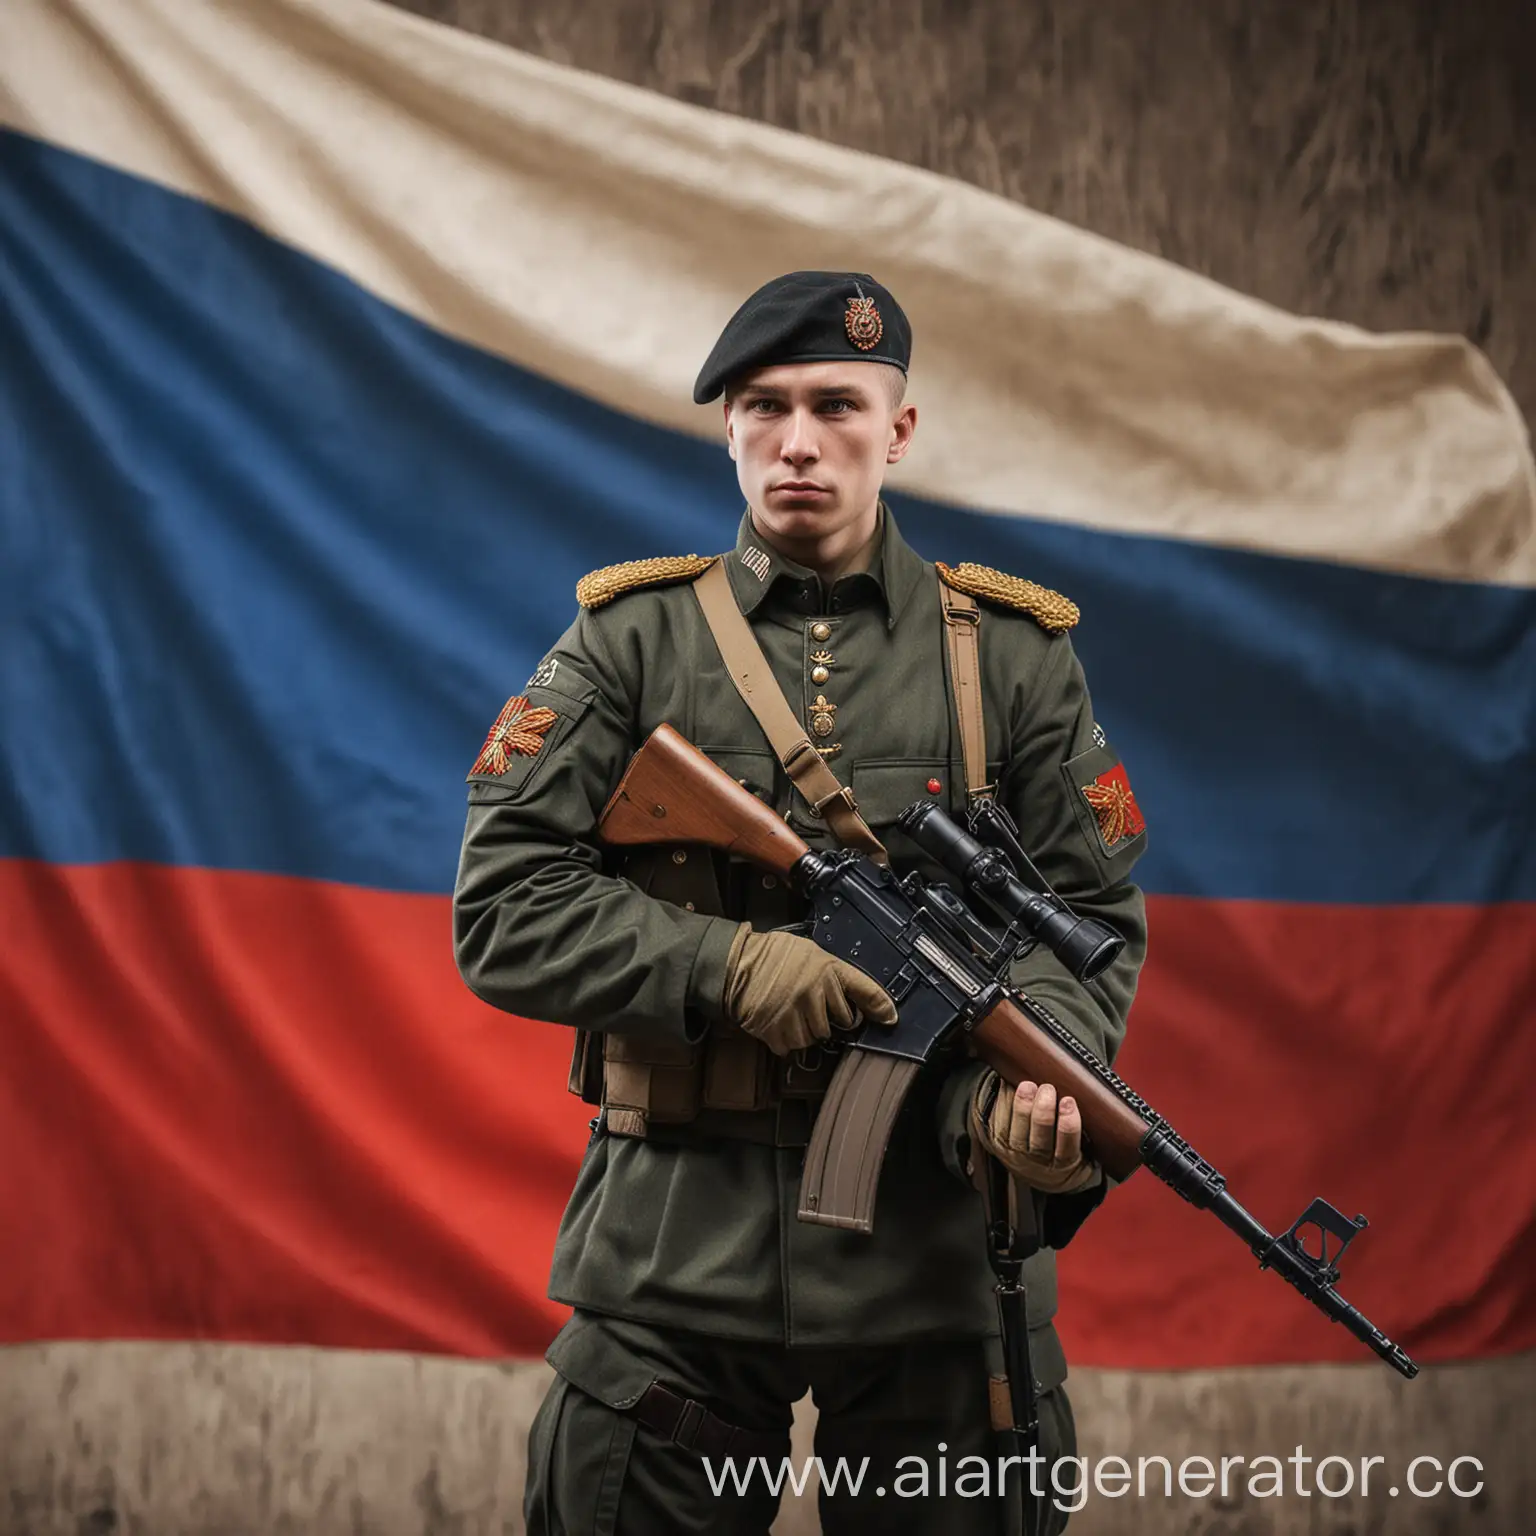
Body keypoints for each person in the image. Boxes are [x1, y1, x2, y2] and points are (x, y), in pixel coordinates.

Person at [453, 270, 1148, 1535]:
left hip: (939, 1273)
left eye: (836, 404)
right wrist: (728, 966)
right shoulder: (632, 643)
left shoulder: (1014, 658)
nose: (797, 440)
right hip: (675, 1252)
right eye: (763, 406)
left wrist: (1025, 1095)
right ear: (727, 427)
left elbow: (1091, 919)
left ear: (901, 427)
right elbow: (503, 905)